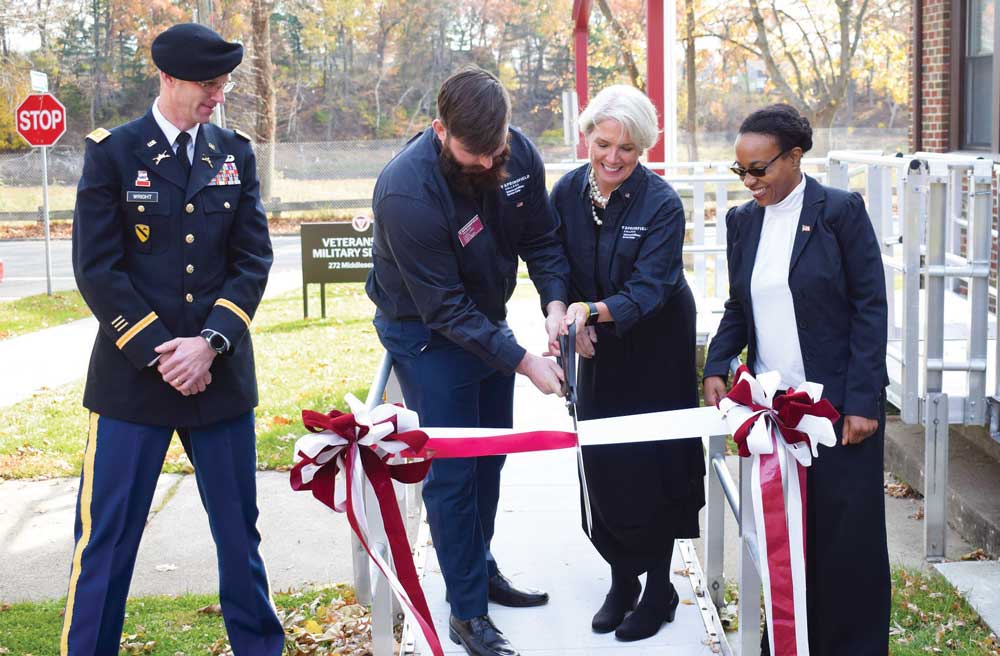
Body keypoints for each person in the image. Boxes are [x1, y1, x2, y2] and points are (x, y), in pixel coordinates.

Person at [62, 23, 283, 655]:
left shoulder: (233, 151)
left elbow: (253, 260)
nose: (218, 96)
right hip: (134, 380)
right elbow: (97, 267)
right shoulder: (114, 152)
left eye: (224, 84)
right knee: (106, 541)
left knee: (241, 540)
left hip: (218, 377)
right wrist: (163, 350)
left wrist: (210, 342)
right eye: (207, 85)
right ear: (167, 78)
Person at [365, 66, 569, 656]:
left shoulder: (517, 153)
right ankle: (466, 613)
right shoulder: (407, 193)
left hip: (486, 317)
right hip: (427, 333)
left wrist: (554, 301)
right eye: (471, 152)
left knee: (489, 459)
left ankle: (478, 567)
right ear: (438, 130)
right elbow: (444, 309)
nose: (485, 162)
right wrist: (525, 361)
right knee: (454, 472)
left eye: (494, 149)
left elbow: (542, 237)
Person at [703, 104, 890, 655]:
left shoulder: (839, 211)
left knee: (846, 543)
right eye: (741, 171)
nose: (750, 181)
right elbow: (741, 305)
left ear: (795, 156)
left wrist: (861, 402)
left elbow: (871, 308)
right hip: (774, 414)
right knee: (787, 543)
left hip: (834, 413)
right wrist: (718, 362)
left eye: (760, 169)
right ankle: (786, 643)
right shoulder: (743, 222)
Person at [553, 85, 706, 642]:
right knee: (607, 460)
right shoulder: (567, 192)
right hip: (597, 339)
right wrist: (567, 316)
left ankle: (660, 586)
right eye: (604, 144)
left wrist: (591, 312)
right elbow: (555, 264)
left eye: (629, 149)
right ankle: (623, 580)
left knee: (655, 462)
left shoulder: (661, 203)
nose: (614, 158)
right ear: (587, 137)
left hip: (655, 341)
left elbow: (651, 287)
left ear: (643, 149)